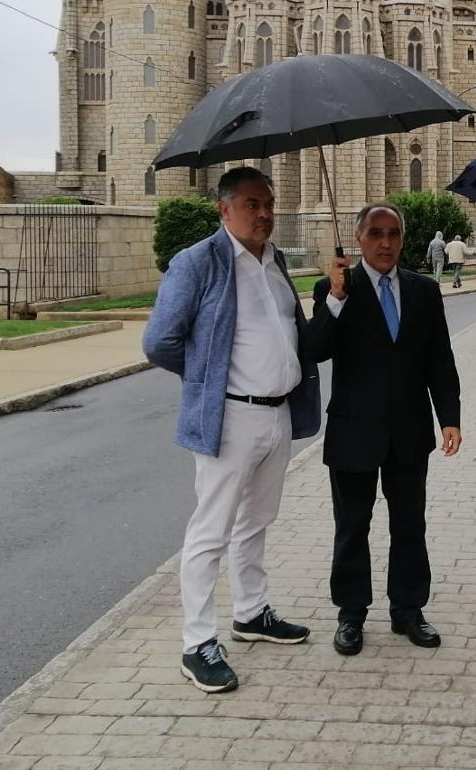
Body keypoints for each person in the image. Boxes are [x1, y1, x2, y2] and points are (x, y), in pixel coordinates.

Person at [142, 167, 322, 694]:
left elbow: (288, 331)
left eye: (267, 203)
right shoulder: (197, 263)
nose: (264, 213)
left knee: (257, 520)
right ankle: (197, 643)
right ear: (224, 210)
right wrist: (208, 375)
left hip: (277, 414)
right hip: (230, 416)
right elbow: (159, 342)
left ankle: (251, 612)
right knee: (210, 530)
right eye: (251, 204)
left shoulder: (275, 260)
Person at [307, 202, 462, 656]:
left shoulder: (424, 291)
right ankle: (351, 615)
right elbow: (314, 349)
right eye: (375, 233)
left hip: (410, 431)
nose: (385, 242)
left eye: (393, 233)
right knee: (352, 527)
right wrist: (334, 299)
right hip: (354, 432)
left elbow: (440, 360)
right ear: (358, 239)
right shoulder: (336, 288)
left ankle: (408, 609)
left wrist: (449, 416)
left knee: (410, 525)